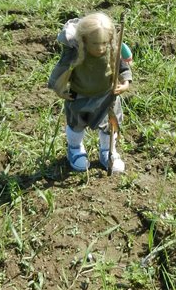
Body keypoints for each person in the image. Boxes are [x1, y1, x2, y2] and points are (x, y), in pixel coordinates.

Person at [48, 12, 132, 173]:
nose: (100, 48)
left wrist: (125, 83)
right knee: (76, 124)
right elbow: (61, 70)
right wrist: (60, 90)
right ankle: (75, 149)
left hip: (107, 97)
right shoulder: (76, 52)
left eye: (104, 43)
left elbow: (122, 67)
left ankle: (108, 151)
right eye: (95, 43)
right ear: (84, 39)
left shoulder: (111, 49)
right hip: (79, 96)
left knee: (109, 125)